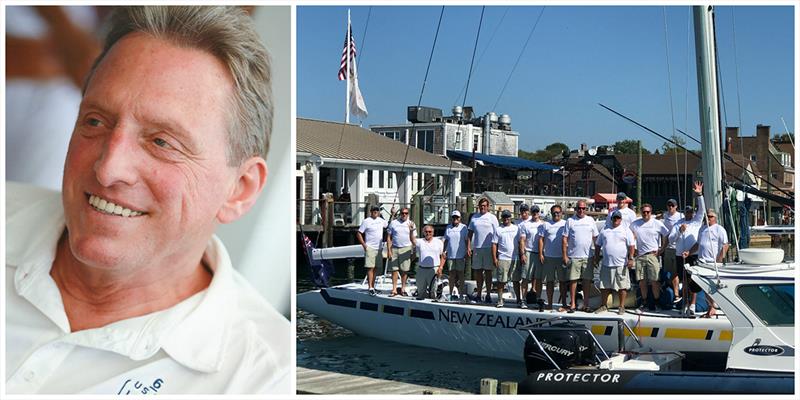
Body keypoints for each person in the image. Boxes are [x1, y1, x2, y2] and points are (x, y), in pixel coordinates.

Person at [6, 6, 289, 394]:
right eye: (95, 121)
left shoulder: (264, 379)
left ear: (239, 189)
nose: (109, 169)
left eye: (161, 142)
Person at [669, 181, 706, 315]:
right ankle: (684, 303)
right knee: (683, 280)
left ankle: (693, 304)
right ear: (684, 212)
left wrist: (699, 195)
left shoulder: (697, 222)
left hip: (692, 255)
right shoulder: (678, 223)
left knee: (693, 280)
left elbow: (702, 210)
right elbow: (671, 239)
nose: (689, 213)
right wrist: (679, 231)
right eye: (687, 211)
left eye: (691, 211)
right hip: (680, 256)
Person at [688, 208, 729, 318]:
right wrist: (689, 252)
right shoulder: (702, 228)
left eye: (710, 216)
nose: (708, 218)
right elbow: (698, 244)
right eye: (706, 216)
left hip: (712, 262)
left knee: (711, 286)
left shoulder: (719, 229)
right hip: (701, 261)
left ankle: (712, 308)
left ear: (715, 218)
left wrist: (719, 259)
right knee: (702, 285)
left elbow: (725, 245)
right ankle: (708, 306)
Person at [594, 211, 636, 315]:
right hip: (606, 264)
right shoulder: (605, 230)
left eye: (618, 218)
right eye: (614, 218)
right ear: (611, 218)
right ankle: (604, 306)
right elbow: (598, 244)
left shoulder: (626, 230)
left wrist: (631, 258)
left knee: (622, 287)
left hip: (621, 264)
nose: (616, 219)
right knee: (604, 287)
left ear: (621, 219)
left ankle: (621, 307)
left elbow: (631, 246)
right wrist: (596, 257)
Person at [630, 203, 669, 311]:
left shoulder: (657, 223)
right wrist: (633, 250)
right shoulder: (634, 224)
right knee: (642, 281)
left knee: (654, 280)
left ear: (651, 213)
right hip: (640, 256)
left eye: (648, 212)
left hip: (653, 255)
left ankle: (656, 302)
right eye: (644, 212)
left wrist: (662, 249)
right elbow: (630, 236)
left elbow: (666, 235)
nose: (645, 214)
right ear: (641, 212)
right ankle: (644, 302)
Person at [561, 199, 599, 312]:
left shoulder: (591, 220)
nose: (581, 210)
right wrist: (565, 256)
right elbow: (564, 239)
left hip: (588, 256)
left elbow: (596, 238)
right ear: (576, 209)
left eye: (583, 208)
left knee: (587, 281)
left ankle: (585, 304)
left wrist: (596, 255)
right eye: (579, 208)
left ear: (586, 209)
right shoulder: (570, 221)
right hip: (573, 256)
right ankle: (572, 304)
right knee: (573, 281)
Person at [467, 197, 499, 303]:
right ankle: (479, 294)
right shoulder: (474, 218)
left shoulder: (492, 218)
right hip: (477, 248)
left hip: (489, 248)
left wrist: (496, 250)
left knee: (488, 272)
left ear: (488, 207)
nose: (483, 207)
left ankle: (489, 294)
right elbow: (470, 233)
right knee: (478, 272)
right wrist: (468, 247)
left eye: (485, 206)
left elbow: (497, 234)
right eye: (481, 206)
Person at [538, 204, 567, 310]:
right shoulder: (546, 224)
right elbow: (541, 239)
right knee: (550, 282)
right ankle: (549, 304)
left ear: (561, 213)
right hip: (549, 257)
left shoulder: (565, 224)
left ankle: (564, 304)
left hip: (561, 257)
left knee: (562, 282)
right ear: (551, 213)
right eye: (554, 212)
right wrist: (541, 253)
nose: (556, 214)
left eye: (558, 212)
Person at [516, 204, 544, 309]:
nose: (535, 213)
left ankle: (538, 299)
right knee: (525, 278)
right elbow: (522, 240)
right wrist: (522, 253)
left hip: (540, 254)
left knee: (539, 278)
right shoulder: (525, 225)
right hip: (528, 252)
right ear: (531, 213)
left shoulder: (543, 224)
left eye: (537, 212)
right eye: (533, 212)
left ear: (539, 213)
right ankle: (523, 299)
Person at [357, 205, 388, 296]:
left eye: (377, 210)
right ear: (370, 211)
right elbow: (359, 233)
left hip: (379, 248)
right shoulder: (366, 221)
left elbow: (388, 225)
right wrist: (364, 245)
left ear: (378, 212)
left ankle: (373, 286)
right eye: (373, 210)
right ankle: (370, 287)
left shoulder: (381, 220)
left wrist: (393, 213)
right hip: (370, 247)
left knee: (376, 268)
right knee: (370, 268)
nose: (375, 212)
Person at [492, 210, 520, 308]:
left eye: (508, 217)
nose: (506, 219)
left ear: (510, 217)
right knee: (501, 281)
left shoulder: (516, 228)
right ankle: (500, 300)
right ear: (502, 218)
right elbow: (494, 244)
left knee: (516, 280)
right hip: (502, 257)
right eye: (504, 217)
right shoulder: (498, 229)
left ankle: (519, 300)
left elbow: (521, 242)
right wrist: (495, 258)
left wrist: (521, 255)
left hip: (515, 258)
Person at [386, 207, 416, 297]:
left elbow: (414, 239)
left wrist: (414, 251)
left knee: (404, 270)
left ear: (408, 214)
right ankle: (394, 289)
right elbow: (388, 237)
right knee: (394, 270)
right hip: (395, 248)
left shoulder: (411, 224)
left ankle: (403, 288)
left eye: (406, 213)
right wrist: (388, 250)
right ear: (400, 214)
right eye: (402, 213)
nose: (404, 215)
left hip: (406, 248)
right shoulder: (393, 223)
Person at [661, 198, 684, 305]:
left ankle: (676, 295)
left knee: (675, 273)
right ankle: (671, 291)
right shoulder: (665, 215)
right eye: (669, 205)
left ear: (676, 207)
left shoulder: (681, 217)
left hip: (677, 248)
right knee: (668, 271)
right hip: (667, 248)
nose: (670, 207)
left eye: (672, 205)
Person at [443, 210, 469, 302]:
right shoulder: (448, 227)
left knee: (461, 275)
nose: (455, 219)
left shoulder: (464, 227)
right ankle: (450, 294)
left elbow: (467, 240)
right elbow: (446, 240)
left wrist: (467, 250)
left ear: (460, 218)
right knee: (452, 275)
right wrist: (444, 251)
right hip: (450, 255)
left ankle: (461, 294)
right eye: (454, 217)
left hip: (461, 255)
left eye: (457, 217)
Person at [416, 225, 445, 300]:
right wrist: (412, 230)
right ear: (423, 232)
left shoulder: (439, 242)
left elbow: (443, 256)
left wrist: (441, 267)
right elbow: (412, 240)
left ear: (433, 232)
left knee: (433, 292)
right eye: (426, 232)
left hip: (434, 268)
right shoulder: (420, 241)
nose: (428, 233)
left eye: (430, 232)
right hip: (421, 269)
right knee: (421, 292)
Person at [511, 204, 531, 306]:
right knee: (515, 278)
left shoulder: (532, 221)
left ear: (528, 211)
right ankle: (518, 298)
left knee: (526, 277)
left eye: (525, 211)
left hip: (527, 252)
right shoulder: (515, 222)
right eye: (522, 211)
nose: (524, 213)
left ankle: (527, 297)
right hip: (516, 253)